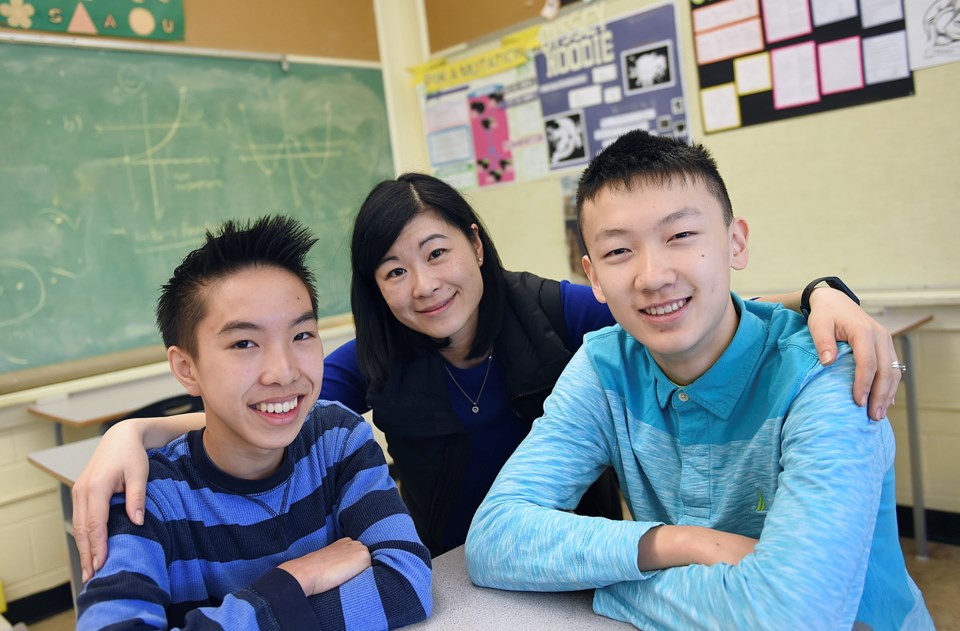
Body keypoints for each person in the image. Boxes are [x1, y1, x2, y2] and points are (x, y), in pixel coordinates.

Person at [71, 172, 902, 575]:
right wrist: (135, 429)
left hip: (579, 559)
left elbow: (679, 308)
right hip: (445, 574)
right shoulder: (374, 357)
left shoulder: (552, 311)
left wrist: (822, 291)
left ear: (474, 241)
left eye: (436, 252)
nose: (423, 285)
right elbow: (269, 406)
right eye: (392, 272)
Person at [465, 130, 932, 629]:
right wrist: (676, 541)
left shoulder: (823, 370)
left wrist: (602, 584)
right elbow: (494, 538)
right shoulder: (605, 367)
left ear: (735, 242)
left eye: (681, 236)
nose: (652, 276)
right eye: (619, 251)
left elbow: (791, 616)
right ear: (594, 276)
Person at [75, 216, 432, 629]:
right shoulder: (145, 496)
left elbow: (405, 582)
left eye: (301, 335)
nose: (282, 372)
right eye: (244, 343)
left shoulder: (337, 440)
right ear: (187, 368)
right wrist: (294, 581)